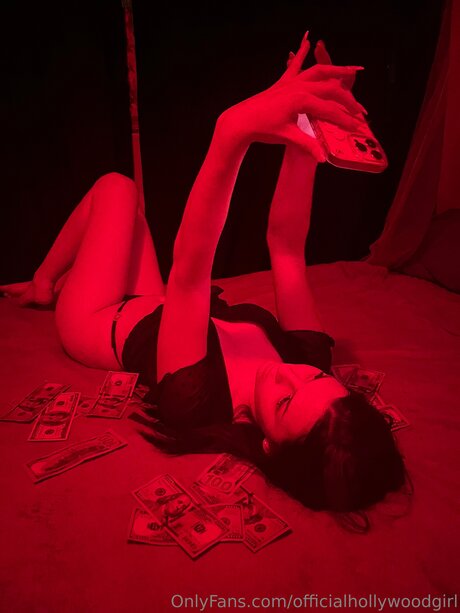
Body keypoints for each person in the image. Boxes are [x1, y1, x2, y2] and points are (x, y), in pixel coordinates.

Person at [1, 34, 407, 519]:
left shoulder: (194, 400)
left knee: (117, 189)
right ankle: (46, 280)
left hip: (100, 319)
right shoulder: (308, 357)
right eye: (314, 379)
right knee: (125, 204)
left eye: (284, 403)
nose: (287, 373)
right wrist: (309, 125)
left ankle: (45, 282)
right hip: (158, 303)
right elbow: (286, 245)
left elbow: (191, 274)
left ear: (268, 445)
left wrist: (232, 131)